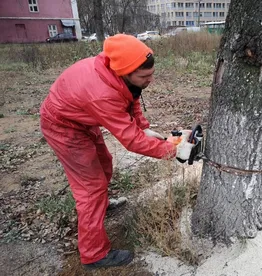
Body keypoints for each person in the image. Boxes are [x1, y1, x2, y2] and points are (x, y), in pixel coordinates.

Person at [39, 34, 193, 269]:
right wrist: (173, 151)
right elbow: (131, 141)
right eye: (145, 76)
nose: (150, 80)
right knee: (91, 188)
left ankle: (100, 204)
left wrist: (144, 127)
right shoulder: (102, 93)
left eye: (151, 74)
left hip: (82, 120)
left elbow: (131, 97)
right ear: (126, 71)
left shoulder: (118, 73)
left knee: (104, 164)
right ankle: (94, 255)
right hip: (63, 127)